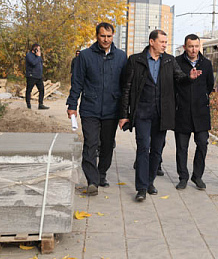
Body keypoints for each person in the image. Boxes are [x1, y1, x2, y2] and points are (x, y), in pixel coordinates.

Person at [118, 30, 201, 202]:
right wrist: (124, 114)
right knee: (143, 148)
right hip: (142, 113)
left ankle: (150, 182)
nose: (164, 45)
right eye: (162, 42)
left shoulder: (169, 60)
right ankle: (141, 188)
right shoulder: (135, 60)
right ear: (152, 42)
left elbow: (179, 79)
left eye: (166, 42)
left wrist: (189, 78)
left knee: (156, 150)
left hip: (162, 114)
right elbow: (126, 88)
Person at [66, 23, 127, 196]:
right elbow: (77, 82)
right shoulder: (85, 56)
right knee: (90, 144)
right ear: (97, 36)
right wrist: (72, 105)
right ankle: (92, 181)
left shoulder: (121, 57)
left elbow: (125, 85)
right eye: (102, 36)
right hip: (90, 108)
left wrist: (125, 112)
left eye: (109, 36)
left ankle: (101, 174)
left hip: (112, 109)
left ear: (113, 36)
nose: (106, 40)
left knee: (107, 145)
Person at [174, 34, 214, 190]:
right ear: (185, 47)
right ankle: (183, 177)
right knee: (181, 147)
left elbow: (209, 85)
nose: (194, 49)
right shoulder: (177, 62)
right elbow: (175, 83)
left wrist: (201, 98)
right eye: (190, 46)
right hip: (182, 111)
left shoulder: (206, 64)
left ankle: (197, 176)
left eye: (196, 46)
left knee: (202, 144)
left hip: (201, 112)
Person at [25, 43, 49, 110]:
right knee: (29, 90)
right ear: (34, 49)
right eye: (38, 49)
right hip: (31, 76)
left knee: (42, 90)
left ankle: (40, 104)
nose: (39, 50)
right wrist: (38, 56)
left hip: (39, 76)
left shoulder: (38, 56)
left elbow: (40, 64)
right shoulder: (29, 55)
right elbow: (33, 63)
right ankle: (28, 105)